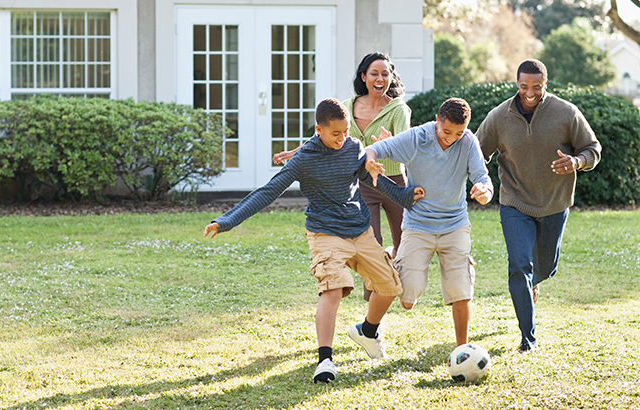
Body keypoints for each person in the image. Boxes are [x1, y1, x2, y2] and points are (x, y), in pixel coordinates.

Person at [204, 98, 425, 383]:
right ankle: (325, 361)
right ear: (318, 129)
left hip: (359, 229)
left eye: (346, 132)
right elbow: (268, 191)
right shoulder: (304, 160)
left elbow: (374, 181)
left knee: (390, 287)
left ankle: (368, 331)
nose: (343, 138)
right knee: (333, 289)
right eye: (336, 133)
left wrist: (406, 196)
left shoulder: (352, 148)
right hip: (325, 232)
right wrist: (226, 221)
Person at [475, 59, 602, 353]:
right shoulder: (499, 117)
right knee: (520, 265)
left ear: (545, 84)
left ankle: (535, 282)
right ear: (517, 84)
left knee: (544, 267)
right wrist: (478, 177)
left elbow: (592, 148)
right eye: (523, 86)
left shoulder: (566, 112)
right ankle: (527, 337)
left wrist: (576, 161)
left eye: (536, 87)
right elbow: (477, 150)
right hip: (514, 202)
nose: (529, 93)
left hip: (555, 203)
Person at [274, 52, 411, 301]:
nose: (380, 79)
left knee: (404, 238)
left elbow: (405, 146)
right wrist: (297, 151)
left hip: (392, 180)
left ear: (391, 78)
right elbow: (328, 136)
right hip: (365, 183)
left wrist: (389, 144)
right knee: (373, 239)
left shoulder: (398, 108)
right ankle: (373, 296)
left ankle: (403, 289)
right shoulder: (348, 106)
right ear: (363, 76)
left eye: (385, 74)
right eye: (374, 73)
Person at [365, 97, 493, 347]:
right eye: (446, 131)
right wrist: (370, 160)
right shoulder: (417, 138)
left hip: (455, 225)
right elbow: (375, 150)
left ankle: (462, 350)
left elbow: (483, 178)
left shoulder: (468, 142)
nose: (451, 138)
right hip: (418, 225)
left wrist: (484, 192)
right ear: (437, 121)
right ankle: (395, 258)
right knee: (407, 299)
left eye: (458, 133)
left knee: (461, 289)